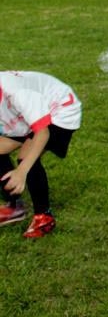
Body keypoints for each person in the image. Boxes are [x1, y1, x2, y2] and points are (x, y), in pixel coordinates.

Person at [0, 70, 81, 238]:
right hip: (25, 112)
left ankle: (44, 217)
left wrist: (21, 171)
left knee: (27, 157)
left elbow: (43, 133)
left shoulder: (18, 93)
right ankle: (15, 207)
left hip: (60, 108)